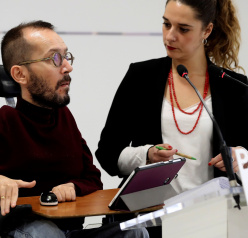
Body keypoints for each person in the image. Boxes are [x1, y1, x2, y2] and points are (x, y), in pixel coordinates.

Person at [96, 0, 248, 195]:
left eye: (183, 29)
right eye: (166, 24)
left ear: (206, 30)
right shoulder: (140, 77)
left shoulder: (232, 86)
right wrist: (147, 154)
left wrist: (242, 158)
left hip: (213, 214)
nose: (170, 36)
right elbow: (107, 154)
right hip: (150, 216)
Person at [0, 21, 149, 238]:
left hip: (70, 229)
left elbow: (92, 177)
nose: (68, 67)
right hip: (25, 230)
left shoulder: (64, 117)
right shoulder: (5, 120)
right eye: (54, 59)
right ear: (20, 74)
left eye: (66, 56)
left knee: (135, 232)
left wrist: (73, 186)